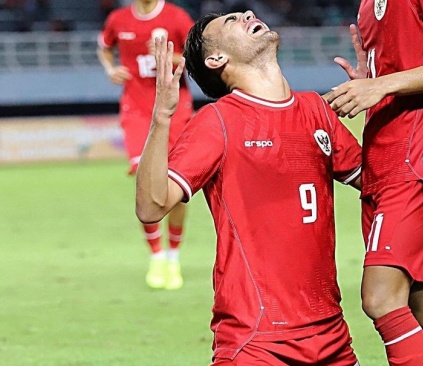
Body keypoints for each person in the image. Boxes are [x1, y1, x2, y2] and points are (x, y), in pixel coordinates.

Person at [136, 11, 363, 365]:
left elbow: (384, 185)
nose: (247, 14)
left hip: (332, 337)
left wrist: (380, 98)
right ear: (216, 59)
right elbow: (151, 207)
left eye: (244, 14)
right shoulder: (218, 122)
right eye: (230, 21)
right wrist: (161, 117)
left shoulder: (317, 110)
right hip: (257, 341)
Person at [324, 1, 423, 364]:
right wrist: (373, 75)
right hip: (381, 162)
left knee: (380, 299)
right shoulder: (368, 5)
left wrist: (383, 83)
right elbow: (403, 70)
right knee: (413, 315)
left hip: (418, 160)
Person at [97, 0, 194, 290]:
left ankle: (174, 257)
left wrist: (171, 57)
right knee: (145, 179)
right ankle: (157, 256)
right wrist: (110, 69)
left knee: (173, 185)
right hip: (137, 110)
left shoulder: (176, 17)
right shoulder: (118, 19)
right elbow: (104, 47)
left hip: (175, 108)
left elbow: (199, 58)